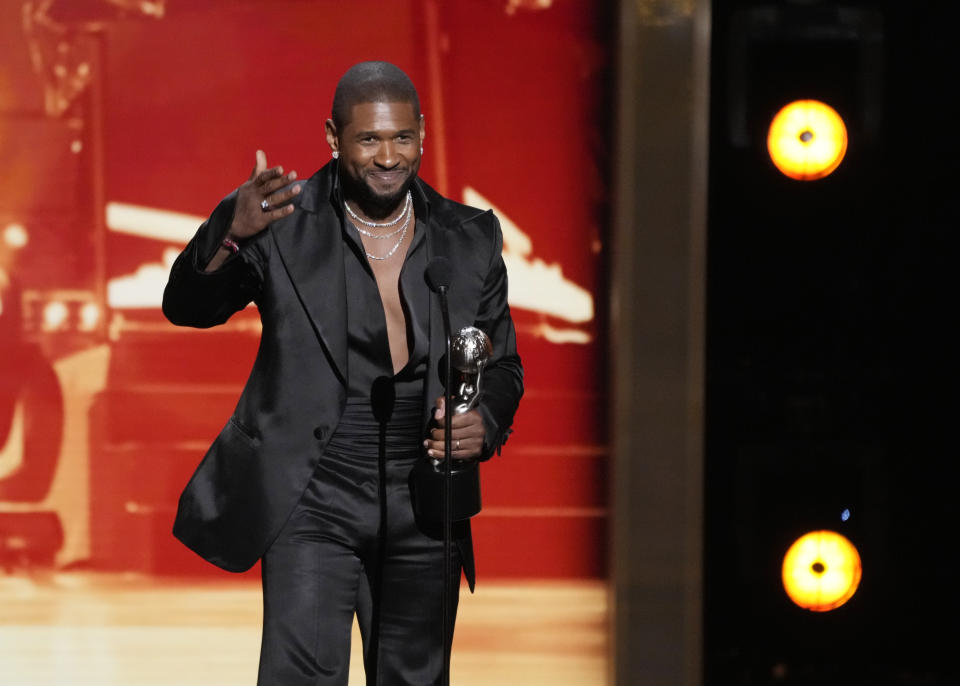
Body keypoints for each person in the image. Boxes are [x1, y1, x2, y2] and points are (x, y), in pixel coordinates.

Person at [162, 61, 523, 686]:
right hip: (313, 493)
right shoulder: (282, 223)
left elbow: (504, 366)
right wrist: (227, 233)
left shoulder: (468, 237)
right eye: (369, 140)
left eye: (402, 138)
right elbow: (187, 308)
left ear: (422, 134)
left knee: (414, 677)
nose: (389, 157)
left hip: (423, 493)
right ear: (334, 138)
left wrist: (483, 421)